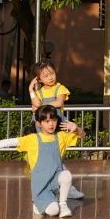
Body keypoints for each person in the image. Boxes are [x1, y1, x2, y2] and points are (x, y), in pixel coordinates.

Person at [0, 105, 85, 218]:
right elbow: (10, 142)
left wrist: (77, 128)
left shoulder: (62, 136)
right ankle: (39, 204)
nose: (51, 124)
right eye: (46, 121)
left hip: (56, 179)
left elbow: (82, 135)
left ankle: (63, 204)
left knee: (66, 175)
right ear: (38, 123)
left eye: (53, 120)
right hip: (41, 184)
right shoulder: (32, 139)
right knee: (53, 211)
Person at [28, 59, 83, 199]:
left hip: (57, 127)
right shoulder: (39, 92)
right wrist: (31, 90)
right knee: (44, 158)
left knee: (57, 157)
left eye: (52, 73)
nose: (50, 77)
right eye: (46, 76)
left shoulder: (60, 88)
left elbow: (58, 102)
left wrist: (40, 107)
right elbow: (34, 104)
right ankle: (49, 188)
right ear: (39, 79)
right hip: (41, 129)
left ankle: (66, 187)